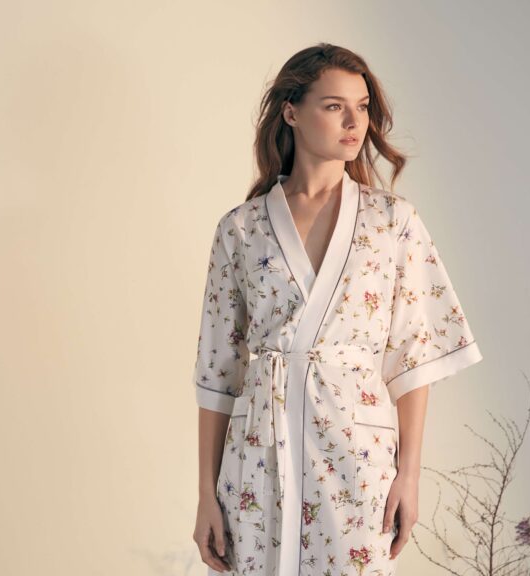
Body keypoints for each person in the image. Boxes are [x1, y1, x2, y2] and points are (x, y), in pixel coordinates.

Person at [190, 43, 483, 576]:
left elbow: (413, 359)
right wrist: (206, 495)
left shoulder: (392, 222)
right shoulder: (241, 228)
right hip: (256, 455)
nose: (355, 121)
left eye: (363, 106)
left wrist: (409, 475)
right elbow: (217, 373)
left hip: (358, 454)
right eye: (334, 106)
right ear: (291, 112)